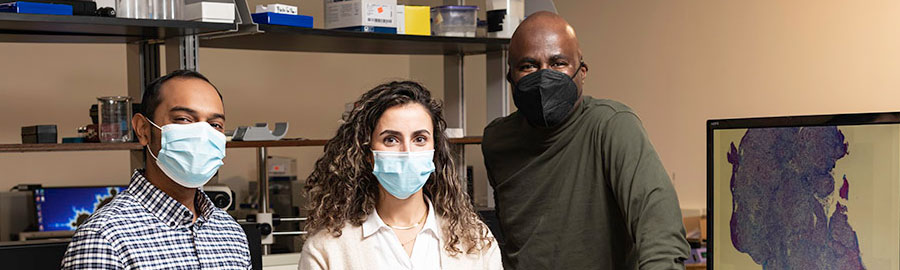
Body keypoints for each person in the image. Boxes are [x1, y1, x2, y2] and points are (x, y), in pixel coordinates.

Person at [481, 12, 690, 269]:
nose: (544, 76)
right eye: (528, 66)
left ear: (582, 72)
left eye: (558, 63)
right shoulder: (497, 141)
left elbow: (660, 229)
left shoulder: (612, 126)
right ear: (510, 76)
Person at [299, 81, 501, 270]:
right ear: (367, 153)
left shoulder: (475, 239)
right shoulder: (326, 248)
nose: (407, 152)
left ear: (435, 150)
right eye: (391, 140)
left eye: (419, 139)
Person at [61, 70, 251, 269]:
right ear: (143, 129)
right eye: (184, 119)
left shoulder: (231, 233)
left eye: (215, 124)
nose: (203, 135)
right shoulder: (104, 238)